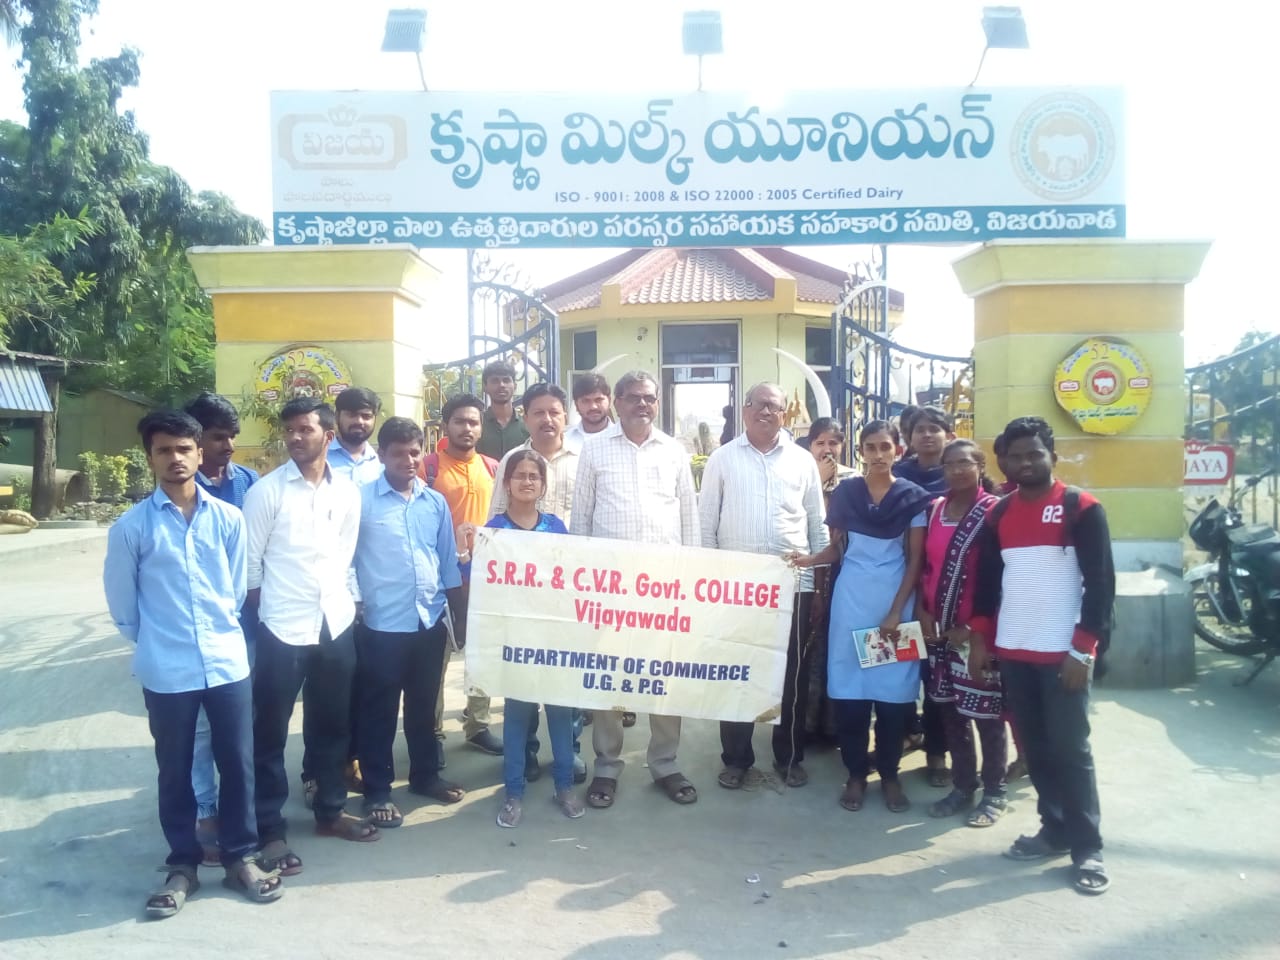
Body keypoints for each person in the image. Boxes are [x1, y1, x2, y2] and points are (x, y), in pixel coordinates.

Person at [104, 411, 282, 918]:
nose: (175, 458)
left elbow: (234, 589)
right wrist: (160, 643)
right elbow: (124, 608)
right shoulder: (131, 528)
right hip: (167, 669)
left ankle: (241, 857)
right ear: (150, 458)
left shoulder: (228, 519)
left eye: (184, 449)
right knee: (175, 769)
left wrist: (213, 636)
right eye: (164, 450)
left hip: (226, 663)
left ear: (199, 454)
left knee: (238, 763)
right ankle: (183, 864)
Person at [968, 416, 1115, 895]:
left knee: (1072, 750)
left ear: (1052, 455)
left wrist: (1083, 650)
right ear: (1004, 463)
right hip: (1015, 651)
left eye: (1034, 453)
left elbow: (1101, 586)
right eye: (1016, 456)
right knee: (1036, 748)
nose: (1026, 462)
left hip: (1063, 655)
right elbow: (987, 585)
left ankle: (1087, 847)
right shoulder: (998, 515)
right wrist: (981, 641)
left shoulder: (1081, 508)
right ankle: (1054, 830)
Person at [244, 397, 377, 879]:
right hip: (282, 626)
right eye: (290, 430)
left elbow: (345, 555)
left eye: (305, 429)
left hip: (334, 623)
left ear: (328, 435)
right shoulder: (267, 492)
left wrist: (348, 605)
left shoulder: (348, 492)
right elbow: (250, 567)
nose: (295, 437)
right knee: (269, 731)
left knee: (332, 724)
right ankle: (268, 827)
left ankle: (330, 811)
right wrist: (268, 616)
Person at [571, 370, 700, 809]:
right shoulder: (594, 450)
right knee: (608, 675)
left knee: (664, 676)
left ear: (657, 403)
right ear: (617, 402)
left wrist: (690, 578)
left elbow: (689, 518)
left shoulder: (675, 451)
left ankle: (665, 763)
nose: (642, 404)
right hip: (610, 587)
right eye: (633, 397)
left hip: (664, 587)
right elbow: (581, 519)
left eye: (649, 398)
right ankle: (607, 766)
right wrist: (585, 582)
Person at [791, 420, 933, 813]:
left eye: (885, 447)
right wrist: (810, 559)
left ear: (897, 450)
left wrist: (895, 612)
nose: (878, 454)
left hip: (894, 611)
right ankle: (855, 774)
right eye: (870, 447)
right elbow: (838, 550)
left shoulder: (912, 499)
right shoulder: (847, 494)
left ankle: (889, 775)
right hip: (850, 606)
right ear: (861, 452)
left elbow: (915, 560)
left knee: (893, 698)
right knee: (850, 697)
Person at [699, 383, 828, 790]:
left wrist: (819, 583)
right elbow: (706, 524)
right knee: (736, 673)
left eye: (774, 406)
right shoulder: (722, 458)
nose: (766, 412)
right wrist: (711, 583)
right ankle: (736, 758)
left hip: (793, 584)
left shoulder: (802, 460)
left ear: (784, 415)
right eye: (758, 405)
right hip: (736, 589)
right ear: (745, 410)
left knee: (791, 675)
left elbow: (817, 524)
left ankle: (789, 757)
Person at [353, 417, 467, 827]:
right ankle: (377, 790)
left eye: (415, 452)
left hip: (428, 622)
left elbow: (448, 564)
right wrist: (356, 605)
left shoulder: (434, 503)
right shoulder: (361, 502)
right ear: (381, 454)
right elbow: (347, 559)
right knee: (379, 711)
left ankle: (425, 776)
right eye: (399, 453)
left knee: (423, 707)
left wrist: (458, 619)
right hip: (381, 625)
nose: (408, 460)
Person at [486, 382, 587, 784]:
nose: (547, 419)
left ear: (565, 416)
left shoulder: (585, 458)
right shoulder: (511, 460)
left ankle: (570, 753)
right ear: (525, 417)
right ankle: (525, 754)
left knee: (565, 685)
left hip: (566, 593)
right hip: (519, 598)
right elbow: (496, 525)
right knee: (521, 684)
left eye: (554, 411)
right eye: (538, 412)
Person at [184, 392, 260, 865]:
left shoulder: (249, 484)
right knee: (198, 728)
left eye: (232, 436)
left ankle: (241, 807)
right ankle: (205, 809)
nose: (228, 446)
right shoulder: (178, 489)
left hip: (243, 625)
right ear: (195, 441)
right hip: (192, 629)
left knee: (238, 724)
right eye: (218, 437)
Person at [918, 439, 1008, 827]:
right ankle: (963, 785)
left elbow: (1001, 576)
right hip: (938, 632)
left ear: (980, 466)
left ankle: (995, 792)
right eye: (949, 464)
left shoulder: (994, 511)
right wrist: (922, 611)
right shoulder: (936, 509)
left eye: (965, 463)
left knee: (986, 714)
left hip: (978, 633)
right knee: (951, 713)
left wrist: (972, 627)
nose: (956, 470)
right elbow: (925, 566)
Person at [421, 394, 503, 758]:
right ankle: (432, 733)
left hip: (484, 579)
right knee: (434, 662)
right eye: (459, 421)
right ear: (445, 426)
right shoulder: (428, 468)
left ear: (481, 428)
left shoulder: (492, 468)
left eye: (473, 422)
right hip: (440, 581)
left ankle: (478, 725)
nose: (467, 428)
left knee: (483, 655)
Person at [893, 406, 956, 785]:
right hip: (902, 586)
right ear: (910, 437)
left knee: (938, 675)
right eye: (920, 429)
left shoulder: (959, 474)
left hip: (946, 591)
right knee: (900, 667)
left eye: (935, 428)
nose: (928, 435)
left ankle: (937, 753)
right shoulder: (898, 476)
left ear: (949, 435)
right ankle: (904, 733)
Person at [802, 417, 856, 746]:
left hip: (846, 573)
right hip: (810, 569)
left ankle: (835, 727)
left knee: (841, 649)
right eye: (820, 443)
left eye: (833, 442)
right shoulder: (801, 475)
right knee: (812, 649)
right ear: (810, 446)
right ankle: (807, 725)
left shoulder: (855, 480)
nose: (827, 449)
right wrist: (818, 483)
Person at [327, 386, 383, 486]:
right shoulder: (318, 458)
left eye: (366, 416)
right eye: (352, 415)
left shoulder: (382, 463)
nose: (359, 421)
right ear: (337, 416)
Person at [477, 360, 529, 460]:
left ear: (515, 386)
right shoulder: (475, 424)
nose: (501, 385)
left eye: (506, 380)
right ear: (485, 387)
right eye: (495, 381)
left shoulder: (528, 426)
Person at [564, 372, 613, 450]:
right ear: (576, 405)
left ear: (609, 401)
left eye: (598, 400)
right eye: (586, 401)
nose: (593, 407)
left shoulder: (624, 438)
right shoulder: (565, 442)